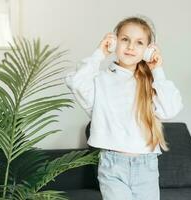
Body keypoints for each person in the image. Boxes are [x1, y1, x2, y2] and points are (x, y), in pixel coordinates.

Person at [64, 15, 183, 200]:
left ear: (147, 50)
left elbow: (170, 109)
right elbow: (76, 82)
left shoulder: (152, 83)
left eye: (139, 42)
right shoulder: (100, 80)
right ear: (114, 42)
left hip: (147, 166)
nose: (130, 47)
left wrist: (157, 69)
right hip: (112, 165)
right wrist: (100, 53)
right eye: (125, 39)